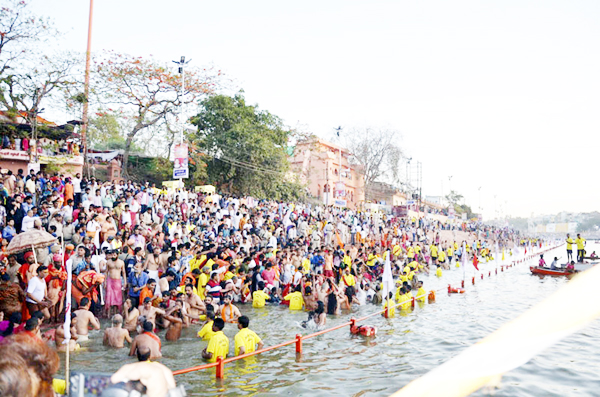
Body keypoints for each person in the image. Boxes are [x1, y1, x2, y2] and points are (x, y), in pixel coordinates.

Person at [110, 352, 180, 397]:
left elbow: (113, 381)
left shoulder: (129, 368)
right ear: (149, 356)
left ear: (137, 356)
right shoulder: (164, 368)